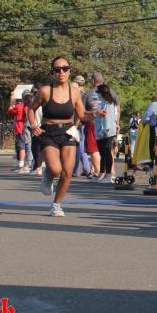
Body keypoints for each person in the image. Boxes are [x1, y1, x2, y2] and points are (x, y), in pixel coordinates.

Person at [28, 56, 98, 216]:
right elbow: (31, 109)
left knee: (67, 172)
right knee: (55, 168)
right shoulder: (45, 91)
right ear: (52, 72)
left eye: (65, 69)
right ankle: (48, 175)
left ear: (69, 71)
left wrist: (95, 114)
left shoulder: (75, 92)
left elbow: (82, 114)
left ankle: (56, 205)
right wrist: (33, 125)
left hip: (68, 132)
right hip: (48, 132)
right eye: (57, 69)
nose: (61, 72)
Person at [93, 83, 119, 183]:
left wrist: (104, 131)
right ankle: (101, 174)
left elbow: (107, 119)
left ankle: (108, 175)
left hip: (106, 131)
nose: (97, 94)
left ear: (102, 93)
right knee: (103, 154)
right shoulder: (103, 103)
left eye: (98, 92)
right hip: (101, 131)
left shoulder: (109, 104)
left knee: (107, 153)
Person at [8, 91, 31, 173]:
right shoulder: (31, 106)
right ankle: (23, 163)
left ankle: (21, 164)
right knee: (26, 146)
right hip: (25, 127)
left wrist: (11, 103)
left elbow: (10, 112)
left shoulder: (19, 106)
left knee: (21, 146)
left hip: (20, 128)